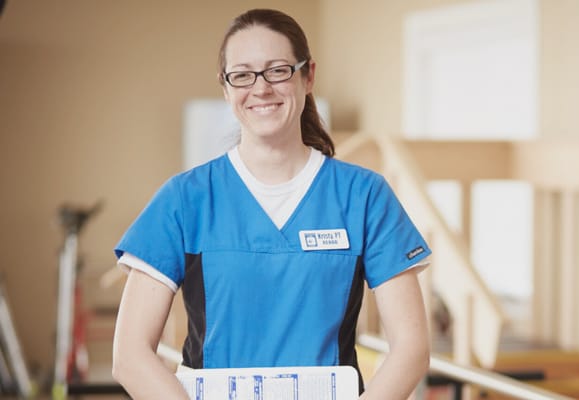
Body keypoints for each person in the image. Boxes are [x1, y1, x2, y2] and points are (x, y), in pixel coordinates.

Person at [111, 8, 431, 400]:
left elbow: (411, 348)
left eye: (278, 71)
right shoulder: (185, 200)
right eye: (242, 75)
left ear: (308, 76)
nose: (261, 88)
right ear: (226, 87)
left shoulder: (364, 196)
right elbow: (130, 356)